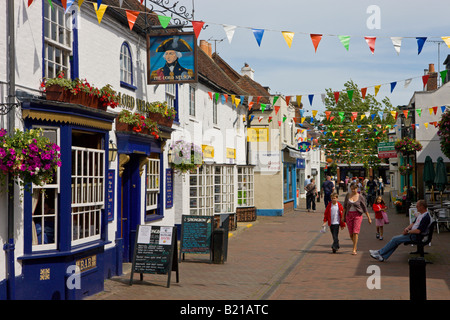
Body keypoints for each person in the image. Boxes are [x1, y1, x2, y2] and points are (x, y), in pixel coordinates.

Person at [342, 182, 372, 255]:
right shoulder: (347, 196)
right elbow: (345, 207)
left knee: (355, 232)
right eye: (351, 189)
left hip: (357, 215)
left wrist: (369, 217)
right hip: (349, 215)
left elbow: (364, 207)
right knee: (351, 234)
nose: (353, 190)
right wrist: (343, 217)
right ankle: (355, 243)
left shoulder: (360, 196)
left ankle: (354, 248)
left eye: (354, 189)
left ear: (357, 188)